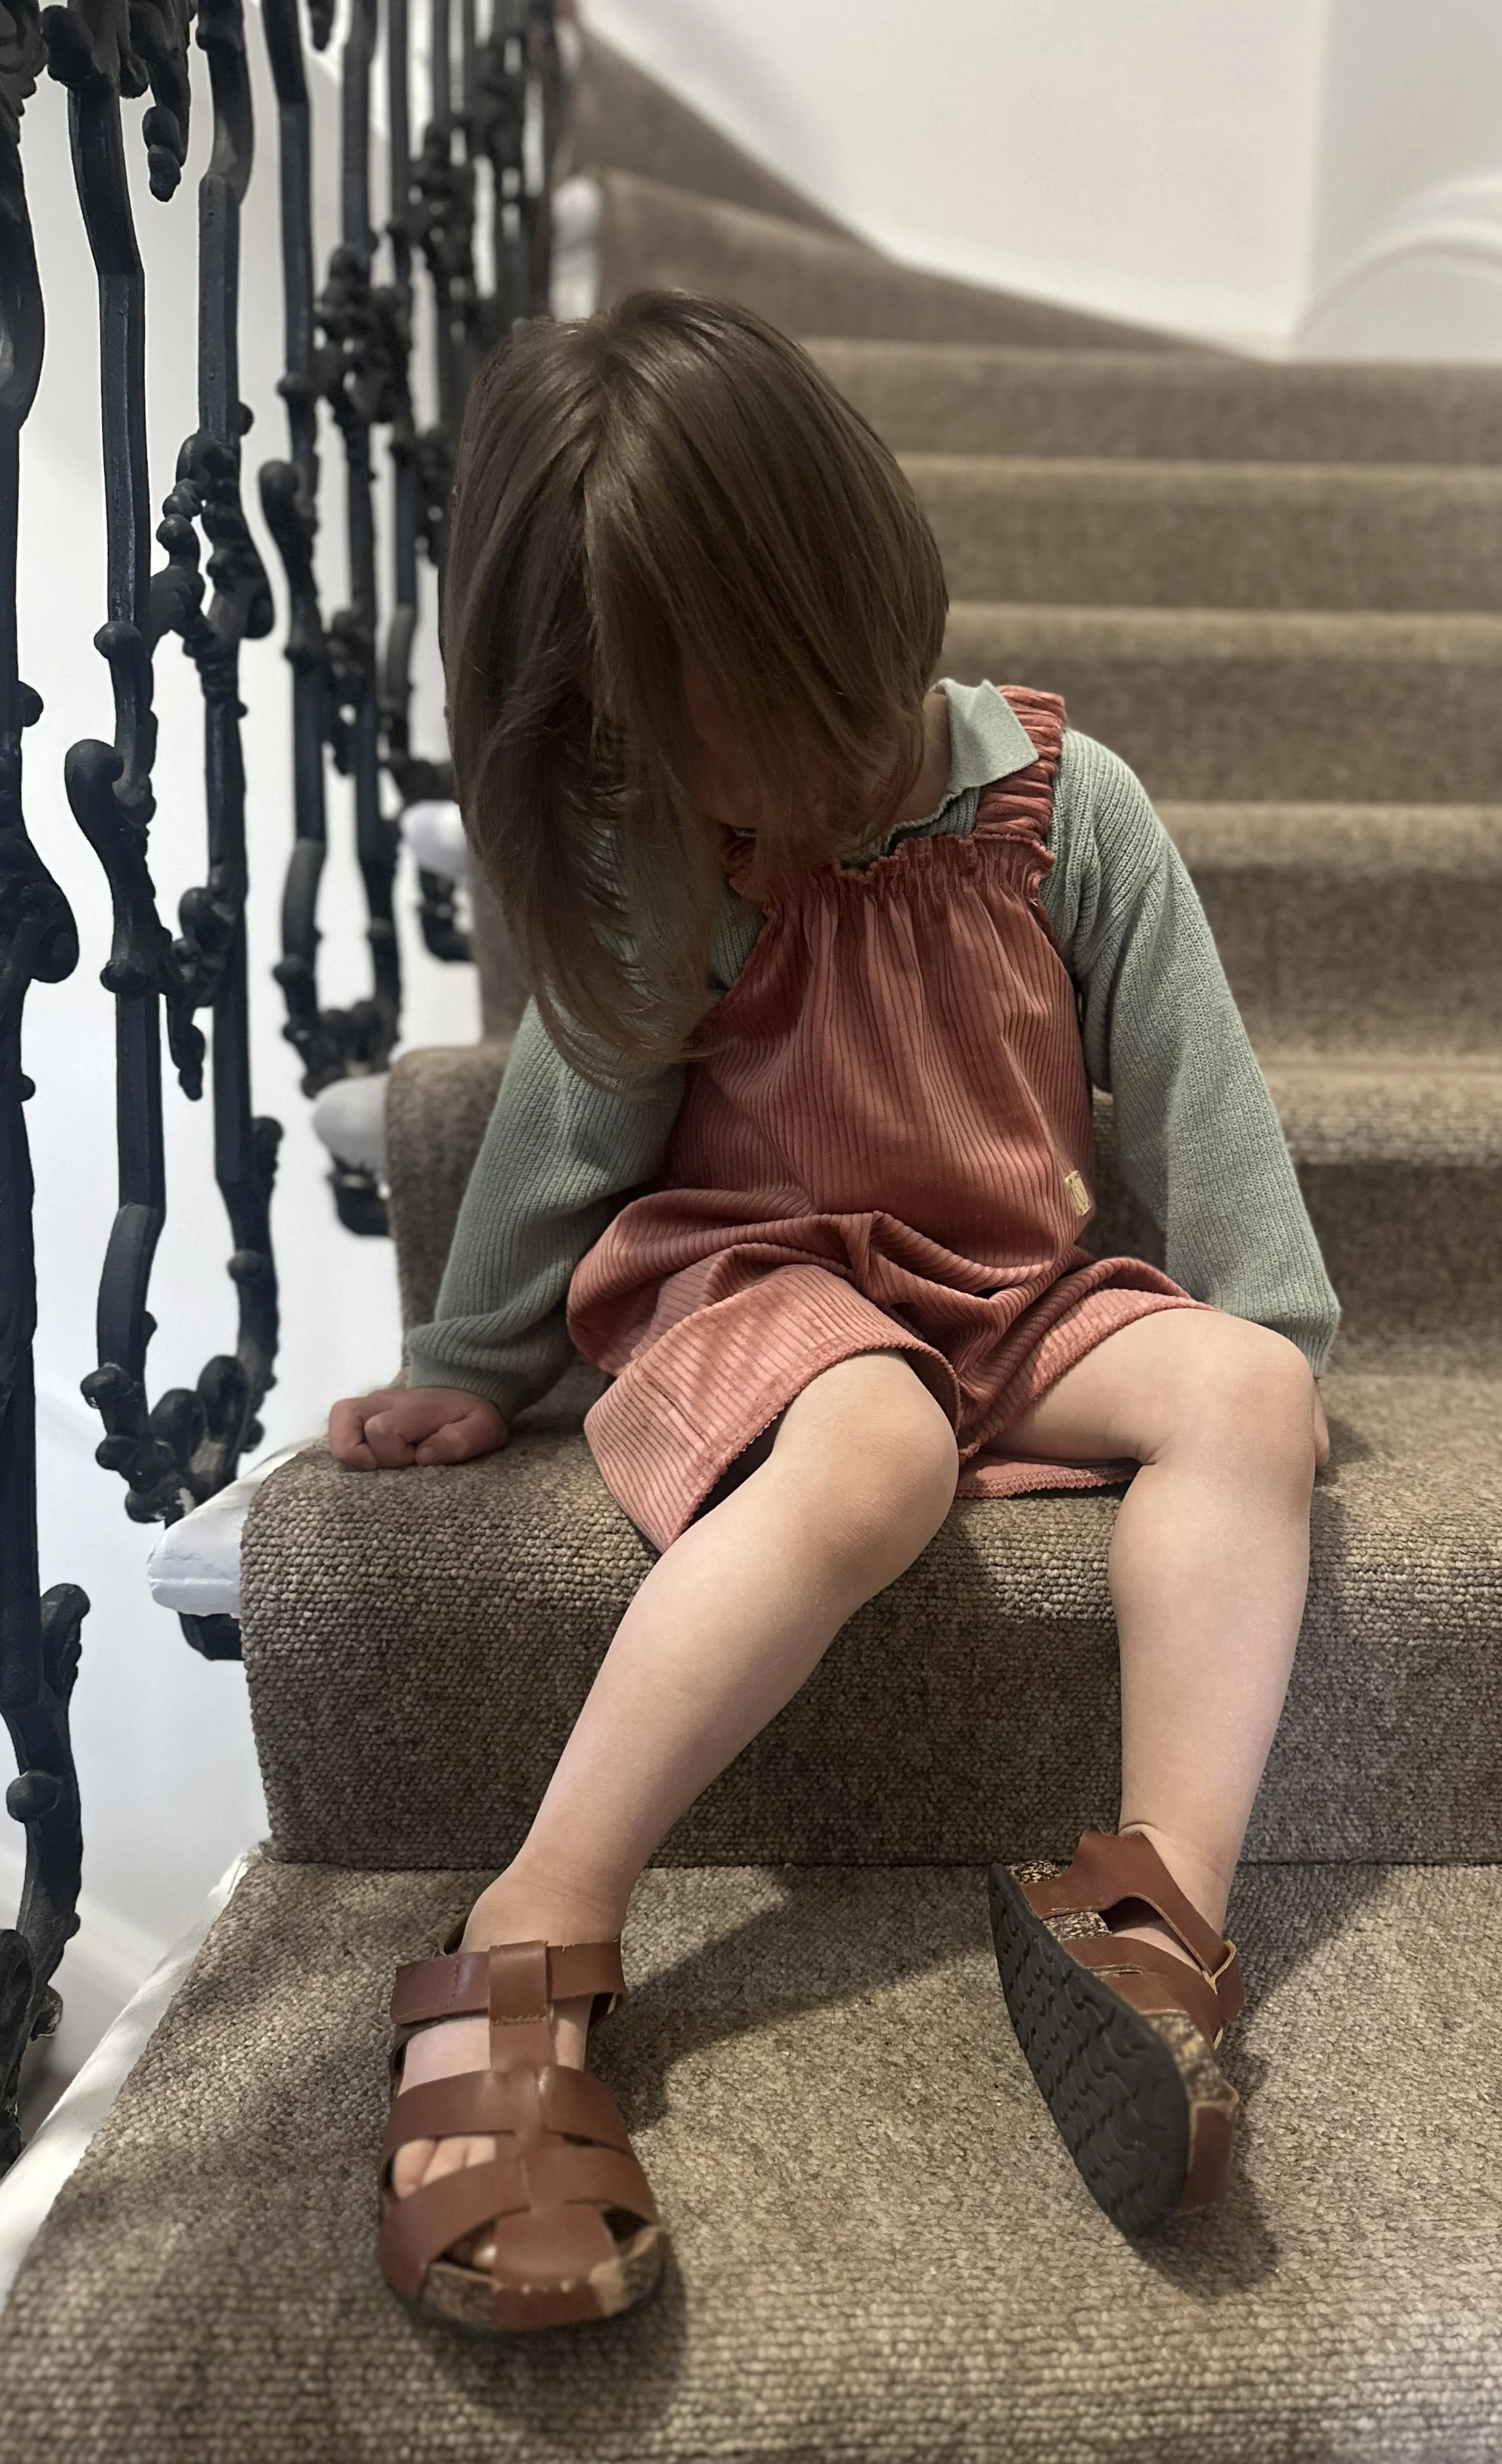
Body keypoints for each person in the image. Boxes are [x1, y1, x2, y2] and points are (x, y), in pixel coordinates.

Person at [333, 290, 1338, 2335]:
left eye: (737, 741)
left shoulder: (1066, 804)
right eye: (660, 760)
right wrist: (471, 1361)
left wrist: (1266, 1322)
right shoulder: (673, 849)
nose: (726, 803)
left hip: (1012, 1281)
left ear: (849, 601)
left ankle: (1153, 1923)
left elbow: (1197, 1079)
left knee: (1247, 1396)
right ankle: (533, 1932)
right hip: (757, 1278)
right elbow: (562, 1118)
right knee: (871, 1443)